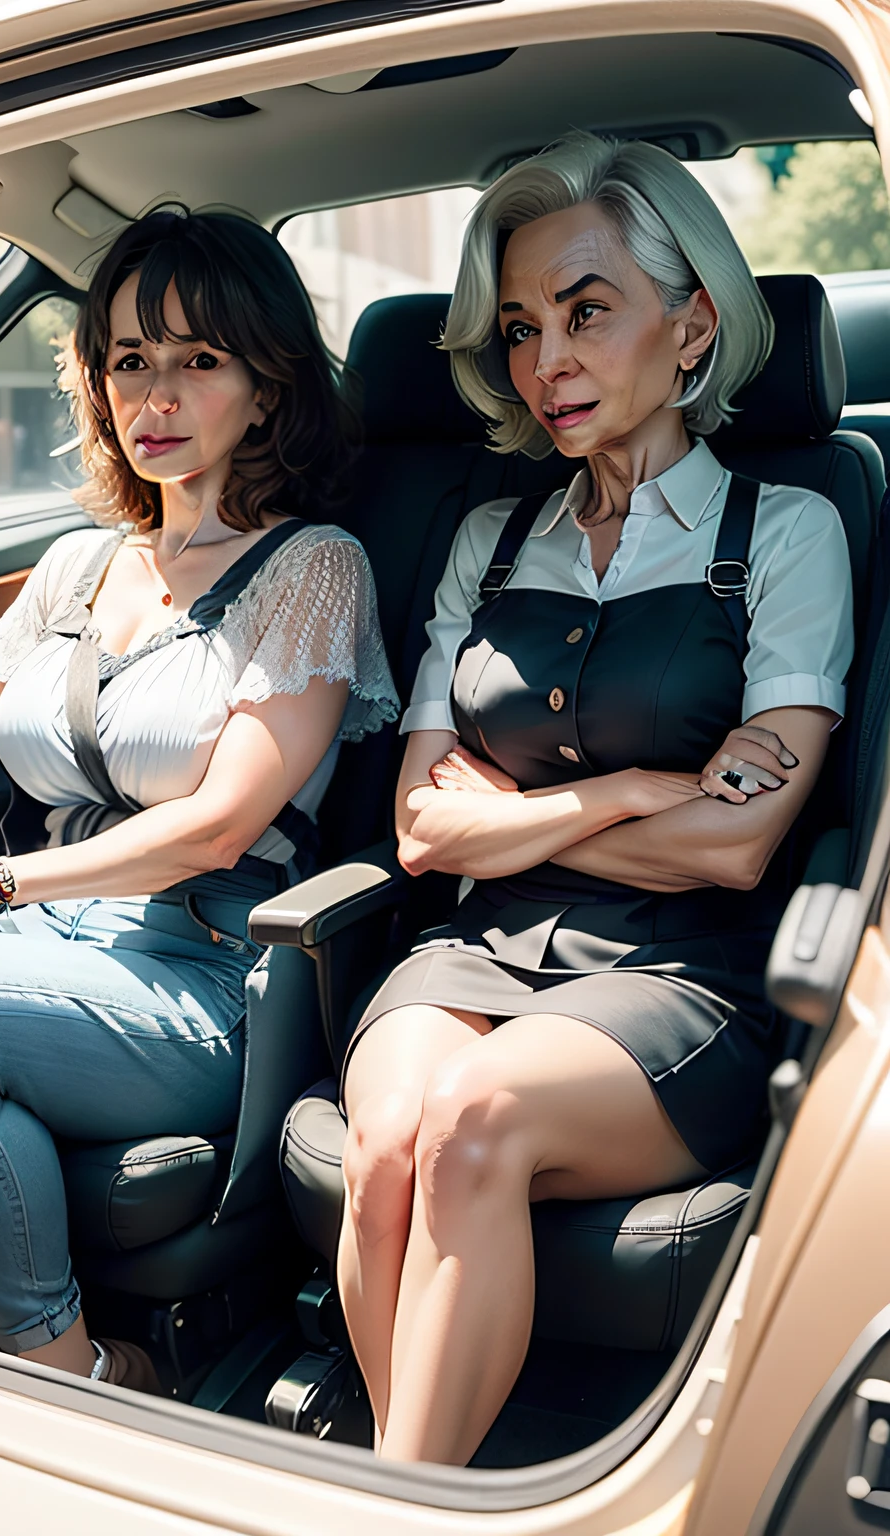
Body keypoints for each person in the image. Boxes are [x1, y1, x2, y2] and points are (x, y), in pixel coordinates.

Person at [336, 132, 852, 1465]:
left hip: (679, 976)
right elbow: (417, 827)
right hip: (469, 949)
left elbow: (739, 852)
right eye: (518, 328)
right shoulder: (485, 539)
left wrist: (511, 819)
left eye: (585, 311)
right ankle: (418, 1486)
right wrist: (640, 785)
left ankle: (395, 1496)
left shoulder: (789, 532)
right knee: (388, 1144)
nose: (544, 360)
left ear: (690, 329)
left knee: (472, 1121)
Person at [0, 207, 397, 1389]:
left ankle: (67, 1373)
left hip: (198, 979)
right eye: (128, 361)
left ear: (264, 389)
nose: (154, 396)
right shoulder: (75, 565)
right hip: (38, 947)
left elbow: (219, 822)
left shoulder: (313, 567)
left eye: (197, 361)